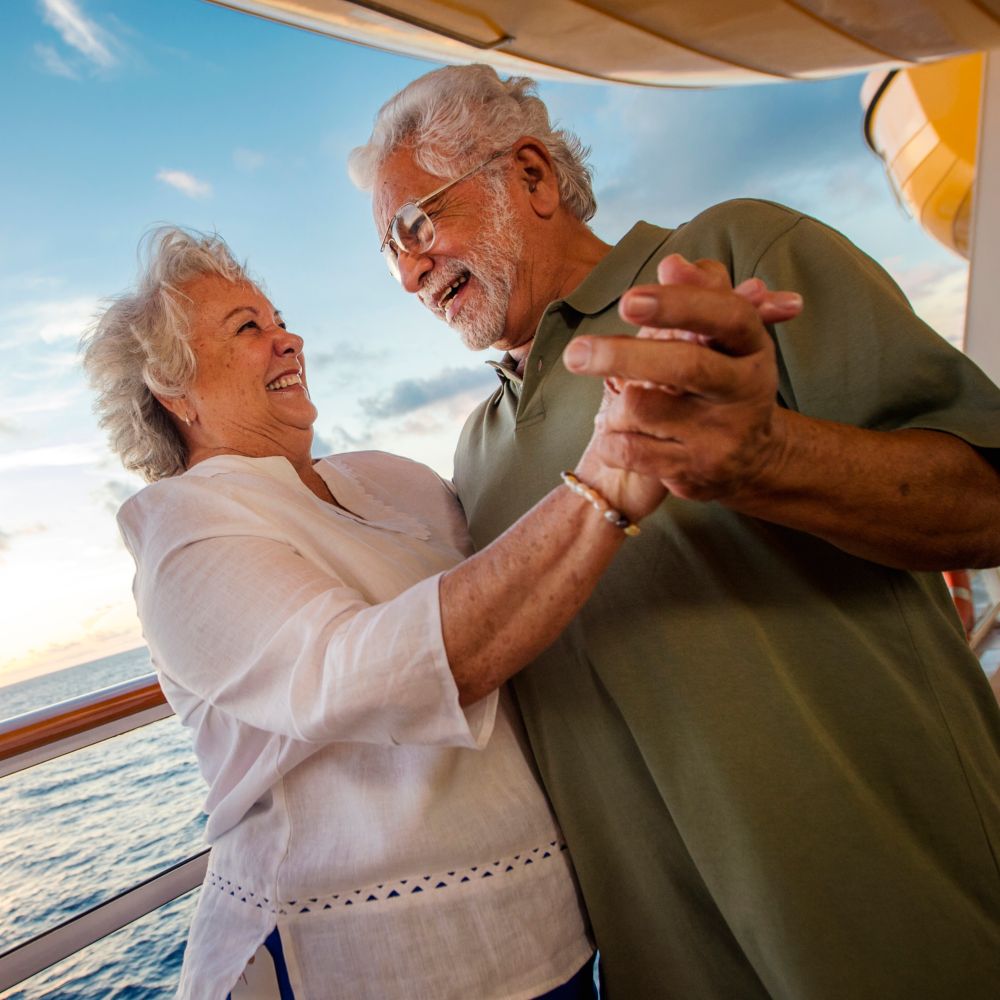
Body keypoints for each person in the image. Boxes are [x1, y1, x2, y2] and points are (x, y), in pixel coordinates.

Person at [349, 64, 1000, 999]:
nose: (410, 272)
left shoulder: (737, 254)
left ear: (530, 175)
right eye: (388, 253)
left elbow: (985, 502)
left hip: (901, 915)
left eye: (418, 223)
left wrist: (768, 458)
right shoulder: (475, 456)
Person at [81, 226, 674, 999]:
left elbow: (520, 585)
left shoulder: (391, 478)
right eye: (248, 328)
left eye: (279, 319)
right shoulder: (182, 533)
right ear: (173, 386)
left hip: (548, 927)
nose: (288, 339)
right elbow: (366, 675)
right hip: (371, 955)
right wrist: (608, 478)